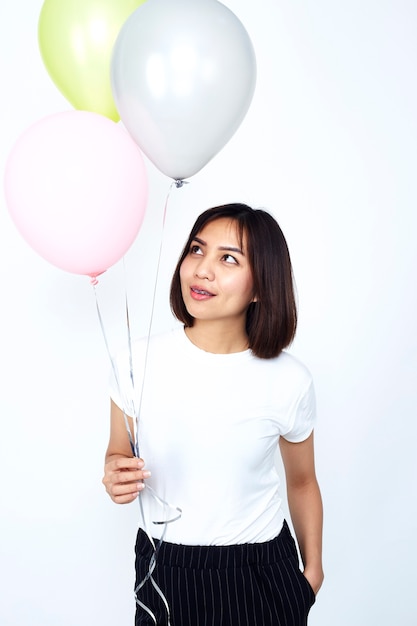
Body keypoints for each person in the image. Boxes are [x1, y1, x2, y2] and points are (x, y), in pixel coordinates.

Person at [102, 203, 324, 626]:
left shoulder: (288, 380)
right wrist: (115, 474)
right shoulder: (135, 361)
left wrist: (312, 574)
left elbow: (302, 481)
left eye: (228, 259)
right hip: (164, 571)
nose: (202, 270)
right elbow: (117, 453)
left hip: (261, 572)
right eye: (196, 250)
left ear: (262, 285)